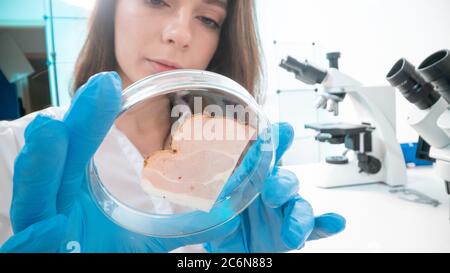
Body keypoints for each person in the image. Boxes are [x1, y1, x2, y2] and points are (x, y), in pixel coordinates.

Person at [0, 0, 345, 253]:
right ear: (111, 9)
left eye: (208, 19)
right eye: (155, 0)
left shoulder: (232, 151)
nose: (180, 34)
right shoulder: (15, 148)